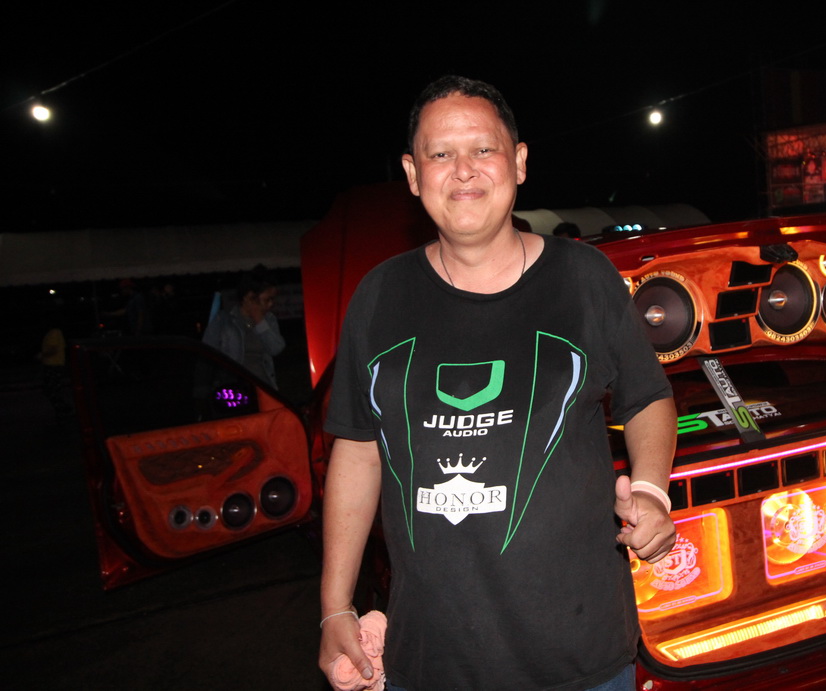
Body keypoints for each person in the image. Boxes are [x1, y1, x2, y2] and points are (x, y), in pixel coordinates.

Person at [319, 75, 677, 691]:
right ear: (412, 174)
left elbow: (649, 397)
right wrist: (334, 606)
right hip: (428, 659)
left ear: (519, 162)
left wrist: (651, 491)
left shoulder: (584, 278)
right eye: (440, 154)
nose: (464, 170)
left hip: (580, 656)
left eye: (483, 149)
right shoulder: (378, 297)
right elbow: (357, 450)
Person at [201, 264, 285, 389]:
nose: (271, 304)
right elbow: (205, 357)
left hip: (263, 387)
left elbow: (276, 348)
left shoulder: (269, 319)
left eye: (273, 300)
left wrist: (259, 321)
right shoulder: (223, 320)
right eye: (267, 300)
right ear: (249, 297)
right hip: (233, 389)